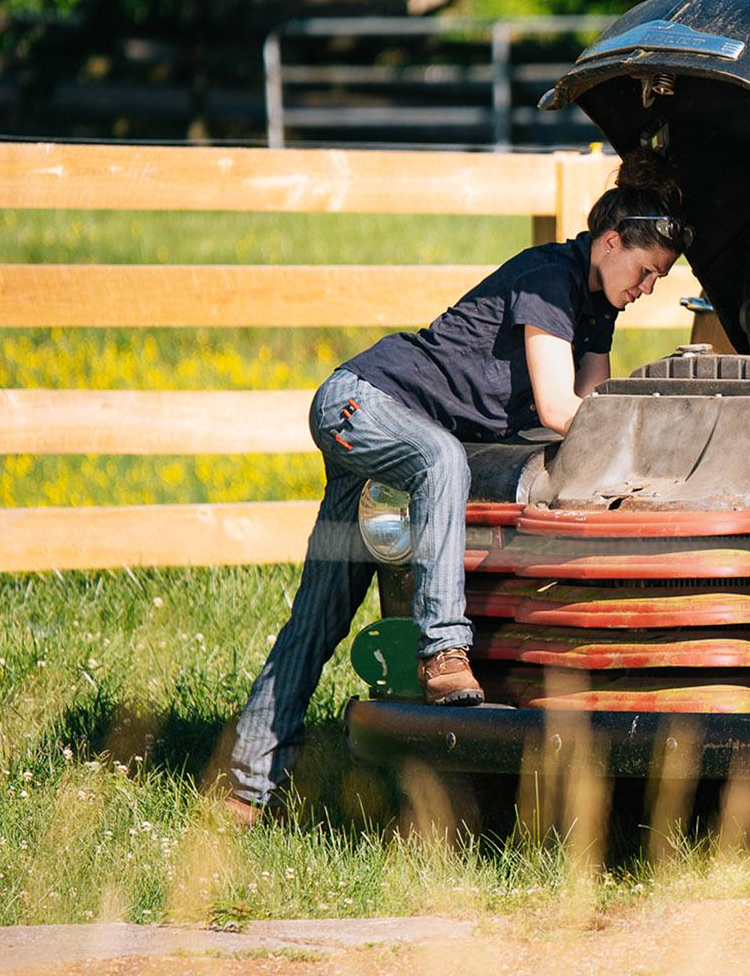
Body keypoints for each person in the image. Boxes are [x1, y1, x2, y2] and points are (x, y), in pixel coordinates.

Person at [220, 154, 690, 826]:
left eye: (660, 277)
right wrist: (645, 427)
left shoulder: (594, 307)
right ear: (609, 241)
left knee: (321, 613)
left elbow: (596, 411)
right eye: (645, 269)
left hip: (387, 436)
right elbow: (563, 409)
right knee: (443, 459)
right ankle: (442, 648)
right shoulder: (552, 277)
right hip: (358, 403)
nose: (648, 286)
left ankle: (246, 790)